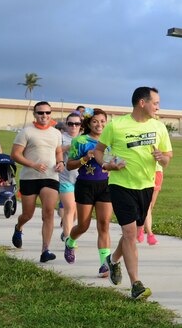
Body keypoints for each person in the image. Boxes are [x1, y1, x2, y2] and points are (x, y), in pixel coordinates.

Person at [92, 86, 173, 301]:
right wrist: (109, 163)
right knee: (129, 234)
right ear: (142, 103)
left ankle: (113, 260)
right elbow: (99, 151)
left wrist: (161, 158)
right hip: (121, 185)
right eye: (155, 102)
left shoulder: (159, 127)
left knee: (134, 232)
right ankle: (136, 284)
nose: (158, 106)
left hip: (145, 186)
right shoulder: (116, 125)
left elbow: (167, 156)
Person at [11, 102, 65, 263]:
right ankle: (19, 227)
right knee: (28, 214)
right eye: (41, 113)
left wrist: (61, 162)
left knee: (48, 212)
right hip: (29, 177)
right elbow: (15, 154)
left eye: (47, 113)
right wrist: (32, 164)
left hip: (50, 176)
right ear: (35, 114)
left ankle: (45, 250)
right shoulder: (26, 132)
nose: (44, 116)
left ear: (51, 114)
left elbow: (58, 151)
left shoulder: (56, 133)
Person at [64, 108, 116, 274]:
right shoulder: (80, 141)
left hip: (106, 185)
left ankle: (105, 264)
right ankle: (70, 242)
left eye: (102, 121)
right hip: (85, 185)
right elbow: (69, 165)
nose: (99, 125)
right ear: (88, 123)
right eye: (95, 121)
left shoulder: (111, 141)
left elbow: (115, 160)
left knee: (104, 224)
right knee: (83, 225)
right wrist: (85, 158)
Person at [57, 112, 82, 244]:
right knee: (70, 209)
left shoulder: (84, 138)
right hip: (65, 178)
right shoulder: (60, 137)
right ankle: (68, 239)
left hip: (82, 180)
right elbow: (55, 150)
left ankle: (66, 229)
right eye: (70, 123)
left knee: (76, 212)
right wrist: (68, 146)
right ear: (66, 125)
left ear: (81, 126)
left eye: (76, 124)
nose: (73, 126)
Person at [139, 158, 162, 246]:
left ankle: (141, 227)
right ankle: (150, 234)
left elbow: (167, 155)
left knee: (150, 205)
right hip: (143, 171)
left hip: (157, 171)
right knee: (147, 205)